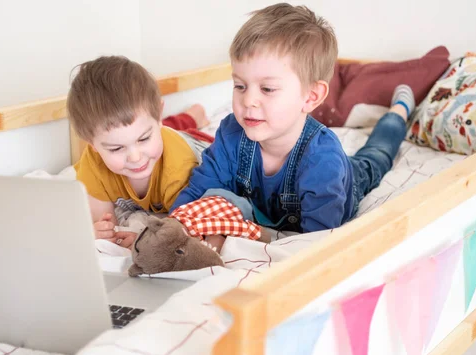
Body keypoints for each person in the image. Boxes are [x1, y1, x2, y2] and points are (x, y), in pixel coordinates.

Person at [171, 3, 414, 241]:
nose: (249, 100)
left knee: (376, 155)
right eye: (240, 86)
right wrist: (170, 228)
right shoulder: (231, 133)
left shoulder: (323, 161)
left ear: (311, 97)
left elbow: (315, 241)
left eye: (267, 88)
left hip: (348, 178)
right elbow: (199, 190)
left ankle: (398, 111)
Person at [67, 55, 213, 247]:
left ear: (158, 114)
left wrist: (145, 241)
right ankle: (189, 117)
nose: (135, 157)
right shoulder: (94, 163)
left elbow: (186, 230)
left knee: (168, 132)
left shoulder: (180, 168)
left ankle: (193, 116)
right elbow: (102, 220)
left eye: (143, 139)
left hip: (197, 142)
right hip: (162, 134)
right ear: (92, 144)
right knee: (149, 132)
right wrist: (99, 230)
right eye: (116, 148)